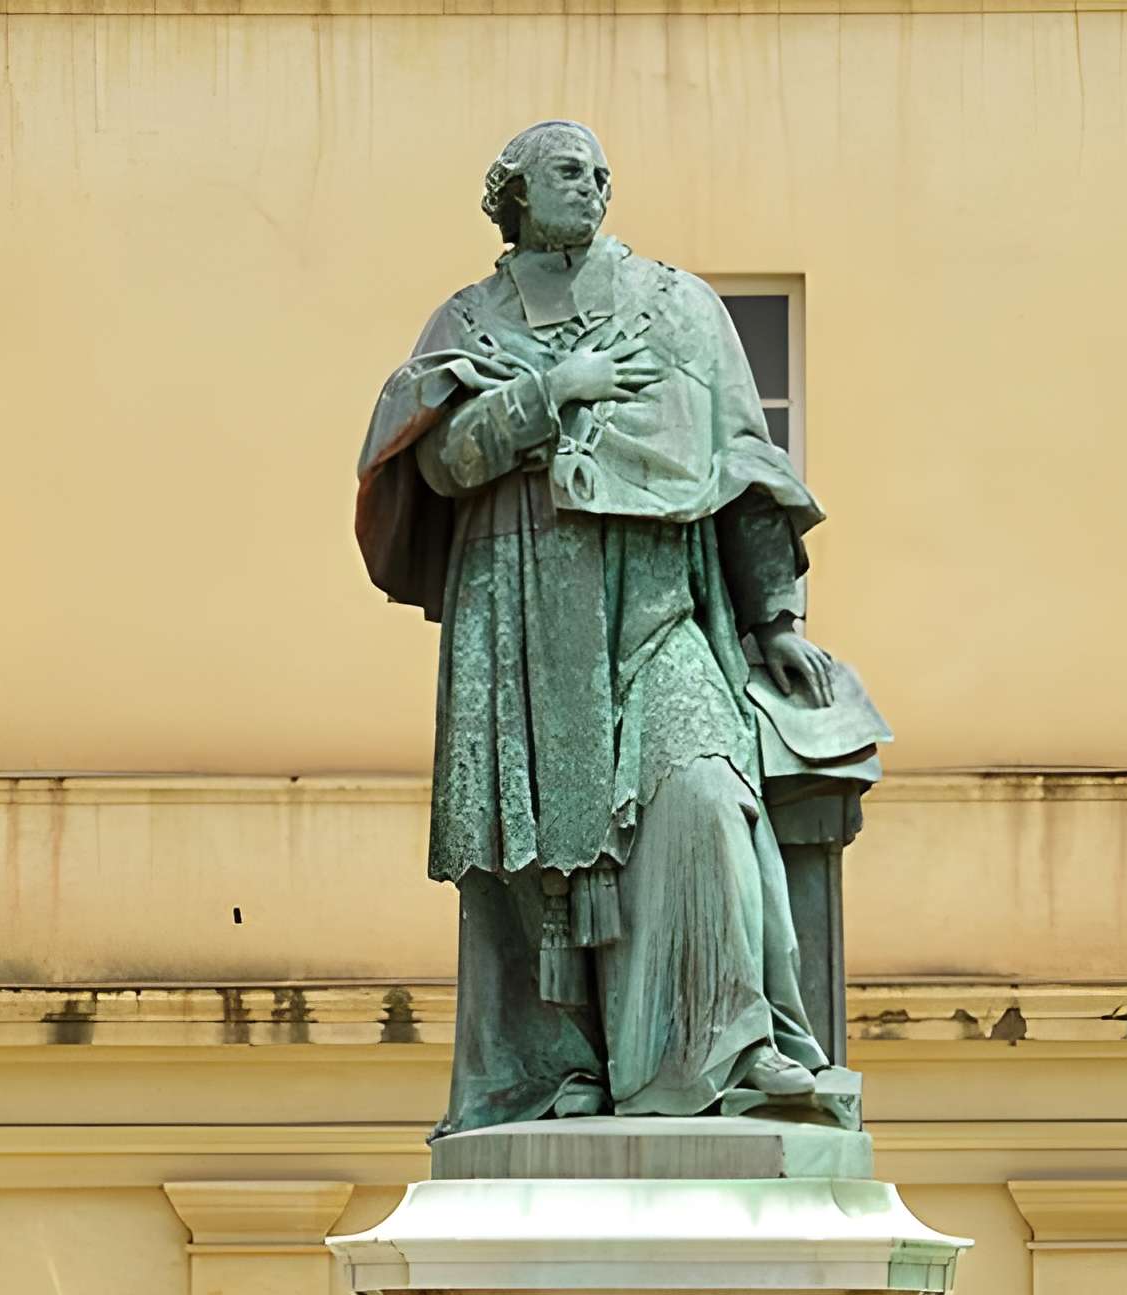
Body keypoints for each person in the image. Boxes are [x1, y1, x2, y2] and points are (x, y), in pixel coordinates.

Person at [356, 119, 846, 1132]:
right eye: (568, 171)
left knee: (707, 799)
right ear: (514, 193)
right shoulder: (470, 321)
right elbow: (438, 464)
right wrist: (548, 396)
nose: (593, 185)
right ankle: (551, 1074)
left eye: (601, 172)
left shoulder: (680, 307)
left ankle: (729, 1056)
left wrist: (777, 616)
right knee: (537, 864)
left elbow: (746, 468)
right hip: (525, 611)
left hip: (661, 603)